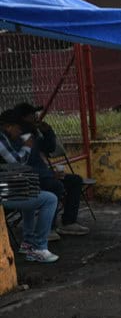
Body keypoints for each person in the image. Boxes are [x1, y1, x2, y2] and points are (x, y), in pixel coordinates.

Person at [14, 102, 89, 238]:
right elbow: (23, 166)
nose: (36, 118)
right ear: (23, 118)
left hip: (43, 174)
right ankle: (47, 227)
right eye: (33, 115)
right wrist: (49, 174)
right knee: (54, 185)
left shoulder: (33, 135)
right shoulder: (17, 138)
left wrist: (47, 132)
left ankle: (68, 222)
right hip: (28, 179)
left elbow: (49, 148)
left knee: (75, 181)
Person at [0, 109, 59, 263]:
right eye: (18, 129)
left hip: (6, 187)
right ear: (8, 126)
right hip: (3, 192)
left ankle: (28, 243)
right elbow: (18, 163)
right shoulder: (1, 140)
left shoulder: (6, 139)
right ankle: (39, 248)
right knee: (50, 199)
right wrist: (27, 146)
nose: (20, 132)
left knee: (31, 191)